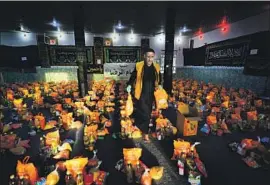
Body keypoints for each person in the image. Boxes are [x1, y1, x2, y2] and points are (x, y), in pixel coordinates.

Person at [126, 48, 162, 142]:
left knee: (147, 113)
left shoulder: (156, 67)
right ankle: (145, 134)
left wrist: (160, 85)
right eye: (148, 57)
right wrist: (129, 85)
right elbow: (133, 76)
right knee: (146, 114)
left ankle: (140, 127)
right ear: (144, 57)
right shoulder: (139, 65)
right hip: (141, 93)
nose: (150, 59)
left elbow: (159, 78)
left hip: (151, 94)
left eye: (152, 57)